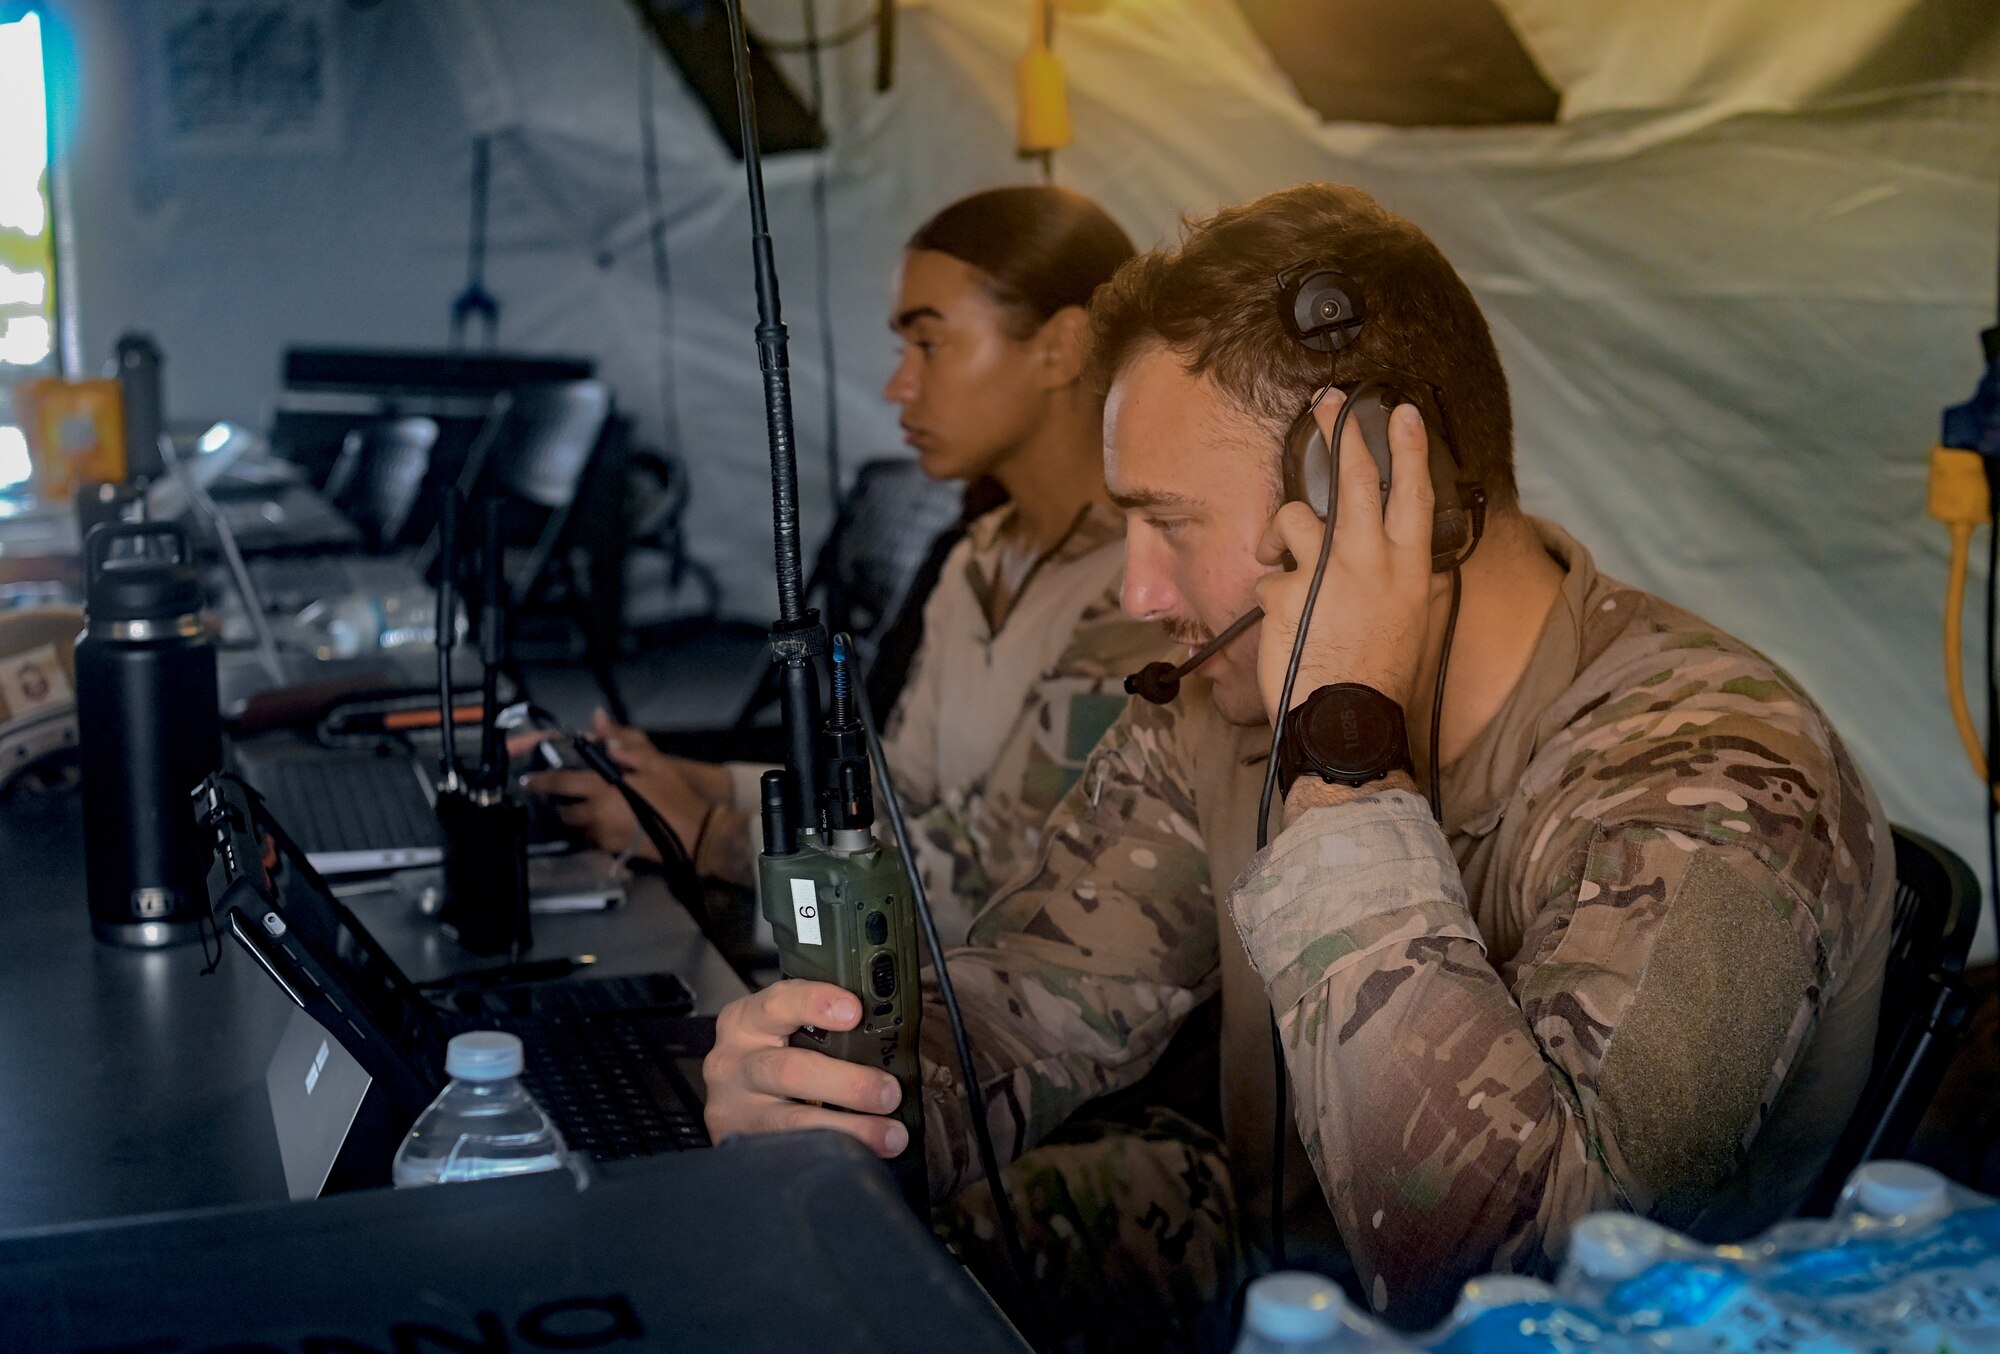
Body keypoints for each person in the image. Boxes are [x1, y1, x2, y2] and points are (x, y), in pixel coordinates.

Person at [696, 182, 1894, 1345]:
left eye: (1168, 524)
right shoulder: (1220, 702)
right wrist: (840, 1092)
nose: (1136, 592)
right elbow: (1034, 1003)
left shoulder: (1717, 774)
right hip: (1283, 1269)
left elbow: (1510, 1285)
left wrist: (1342, 752)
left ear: (1373, 496)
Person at [524, 185, 1173, 946]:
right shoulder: (981, 556)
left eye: (928, 344)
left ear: (1061, 347)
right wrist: (686, 780)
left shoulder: (1140, 586)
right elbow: (900, 794)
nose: (899, 385)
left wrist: (710, 835)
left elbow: (1005, 881)